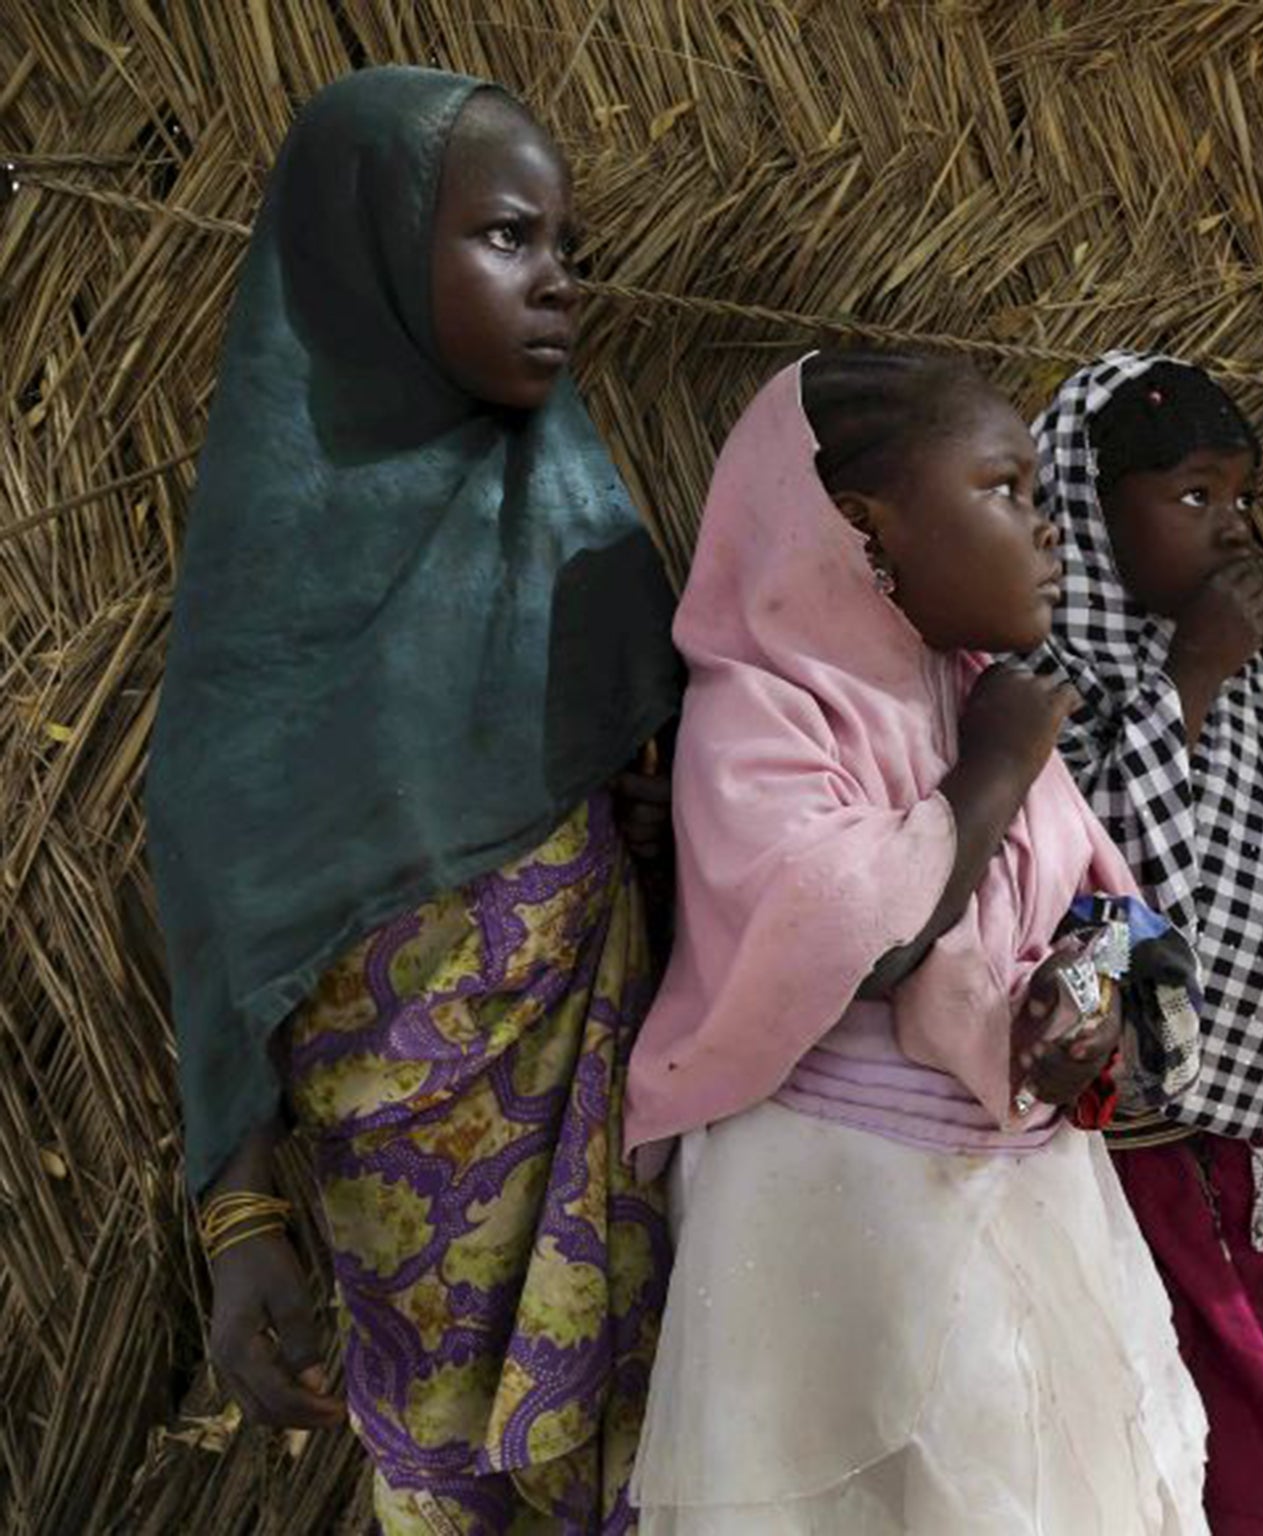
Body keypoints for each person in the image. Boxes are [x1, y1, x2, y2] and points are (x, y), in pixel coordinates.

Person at [148, 66, 679, 1533]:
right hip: (403, 1228)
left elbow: (710, 829)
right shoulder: (264, 611)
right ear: (364, 253)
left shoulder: (589, 547)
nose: (557, 284)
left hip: (633, 1185)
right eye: (509, 238)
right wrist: (243, 1215)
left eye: (566, 248)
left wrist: (660, 842)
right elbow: (228, 918)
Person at [623, 350, 1209, 1535]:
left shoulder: (978, 684)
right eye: (1006, 492)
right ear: (862, 529)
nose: (1046, 534)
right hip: (835, 1215)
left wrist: (1079, 999)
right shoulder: (763, 711)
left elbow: (1105, 906)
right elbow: (859, 933)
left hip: (1024, 1195)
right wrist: (994, 764)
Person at [1026, 352, 1263, 1535]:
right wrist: (1189, 678)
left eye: (1239, 499)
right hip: (1110, 1161)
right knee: (1140, 1442)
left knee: (1262, 1421)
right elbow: (1116, 899)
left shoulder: (1245, 674)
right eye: (1191, 498)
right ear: (1077, 503)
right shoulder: (1037, 680)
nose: (1230, 528)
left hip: (1239, 1145)